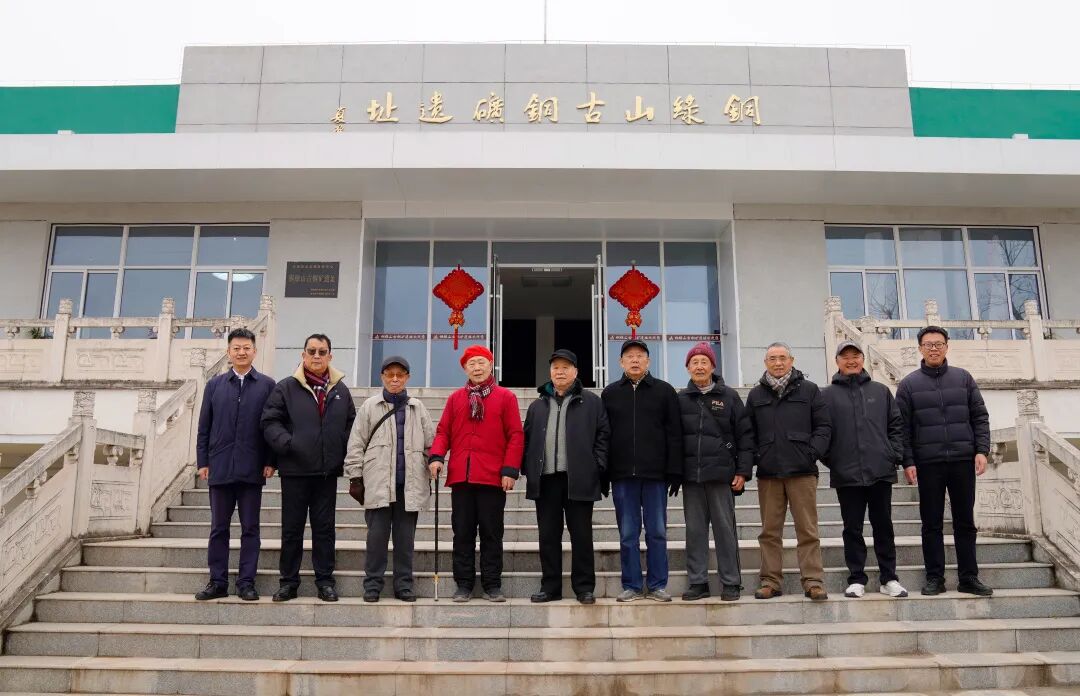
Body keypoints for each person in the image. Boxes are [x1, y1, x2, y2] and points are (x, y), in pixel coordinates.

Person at [896, 326, 993, 597]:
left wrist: (981, 450)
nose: (934, 348)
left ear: (947, 346)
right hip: (928, 463)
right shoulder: (909, 385)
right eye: (928, 344)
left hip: (963, 460)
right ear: (920, 348)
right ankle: (934, 578)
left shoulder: (963, 378)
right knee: (931, 523)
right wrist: (908, 461)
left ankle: (969, 577)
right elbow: (901, 428)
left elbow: (980, 417)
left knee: (965, 522)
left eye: (938, 343)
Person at [261, 333, 356, 602]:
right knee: (292, 529)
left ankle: (325, 582)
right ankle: (288, 583)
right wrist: (288, 444)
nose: (316, 356)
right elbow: (270, 421)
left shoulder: (340, 390)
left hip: (326, 472)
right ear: (303, 355)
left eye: (322, 352)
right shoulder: (286, 388)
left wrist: (340, 448)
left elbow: (351, 423)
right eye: (311, 351)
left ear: (330, 356)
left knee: (324, 529)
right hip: (295, 471)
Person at [428, 344, 524, 603]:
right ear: (465, 369)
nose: (477, 368)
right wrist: (436, 456)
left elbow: (515, 435)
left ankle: (492, 584)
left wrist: (510, 470)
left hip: (492, 477)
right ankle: (464, 584)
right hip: (462, 476)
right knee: (462, 533)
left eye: (482, 362)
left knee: (492, 533)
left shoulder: (505, 397)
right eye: (471, 364)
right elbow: (443, 432)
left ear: (491, 365)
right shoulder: (455, 399)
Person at [522, 349, 610, 605]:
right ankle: (550, 587)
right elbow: (527, 439)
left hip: (579, 478)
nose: (560, 372)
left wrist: (596, 465)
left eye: (565, 367)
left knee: (581, 535)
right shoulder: (538, 405)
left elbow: (603, 435)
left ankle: (584, 588)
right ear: (550, 372)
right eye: (555, 368)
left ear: (575, 371)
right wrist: (528, 468)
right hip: (546, 479)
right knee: (548, 536)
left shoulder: (591, 402)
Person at [344, 355, 435, 603]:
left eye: (400, 375)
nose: (395, 379)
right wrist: (355, 477)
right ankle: (372, 585)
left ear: (407, 378)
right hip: (378, 484)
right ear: (382, 377)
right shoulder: (369, 406)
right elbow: (356, 444)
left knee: (405, 542)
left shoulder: (417, 407)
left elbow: (431, 444)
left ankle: (404, 585)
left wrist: (434, 463)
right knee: (376, 540)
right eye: (390, 374)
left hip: (409, 486)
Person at [822, 340, 908, 599]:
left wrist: (893, 455)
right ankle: (856, 578)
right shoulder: (826, 396)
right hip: (846, 474)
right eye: (845, 356)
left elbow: (896, 426)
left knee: (883, 526)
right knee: (852, 528)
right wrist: (834, 460)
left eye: (855, 356)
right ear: (837, 361)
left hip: (880, 471)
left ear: (862, 359)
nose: (851, 361)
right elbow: (821, 433)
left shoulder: (880, 391)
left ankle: (889, 578)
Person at [194, 328, 276, 601]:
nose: (241, 352)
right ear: (228, 352)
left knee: (250, 529)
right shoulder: (215, 385)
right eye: (236, 348)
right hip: (220, 467)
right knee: (219, 528)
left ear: (254, 351)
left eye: (246, 348)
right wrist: (203, 461)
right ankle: (217, 582)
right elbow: (204, 427)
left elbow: (272, 426)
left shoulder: (267, 385)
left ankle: (246, 583)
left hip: (252, 468)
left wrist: (270, 460)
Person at [747, 342, 831, 601]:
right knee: (769, 532)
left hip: (802, 472)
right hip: (769, 474)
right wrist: (757, 457)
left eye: (783, 357)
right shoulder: (756, 395)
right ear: (765, 363)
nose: (778, 363)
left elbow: (824, 427)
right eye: (772, 358)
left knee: (807, 530)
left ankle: (813, 581)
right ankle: (770, 581)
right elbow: (748, 433)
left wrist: (811, 453)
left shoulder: (809, 390)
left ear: (792, 360)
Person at [601, 339, 683, 603]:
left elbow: (675, 434)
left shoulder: (664, 391)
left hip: (655, 475)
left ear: (648, 361)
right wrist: (604, 473)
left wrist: (675, 470)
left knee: (657, 531)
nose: (634, 360)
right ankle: (632, 585)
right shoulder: (610, 394)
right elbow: (603, 435)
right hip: (623, 475)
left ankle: (658, 584)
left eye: (640, 355)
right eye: (629, 356)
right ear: (621, 362)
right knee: (628, 533)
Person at [677, 342, 754, 602]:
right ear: (687, 367)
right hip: (692, 477)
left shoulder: (729, 397)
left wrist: (743, 471)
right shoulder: (680, 399)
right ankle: (698, 582)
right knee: (694, 531)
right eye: (694, 362)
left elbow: (745, 436)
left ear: (713, 366)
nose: (699, 366)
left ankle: (731, 582)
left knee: (725, 531)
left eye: (704, 362)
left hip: (722, 476)